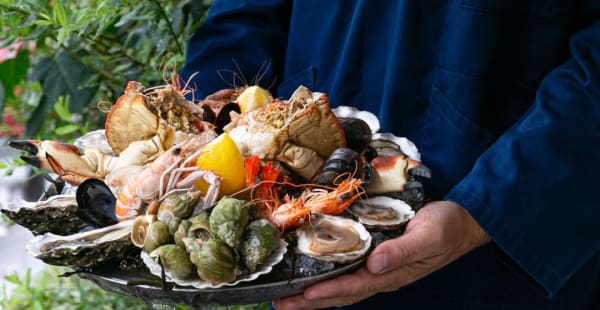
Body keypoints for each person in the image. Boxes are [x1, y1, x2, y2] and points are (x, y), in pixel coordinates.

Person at [180, 1, 600, 309]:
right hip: (302, 222)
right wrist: (196, 131)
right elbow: (244, 18)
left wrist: (486, 209)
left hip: (504, 245)